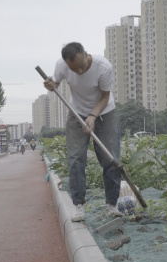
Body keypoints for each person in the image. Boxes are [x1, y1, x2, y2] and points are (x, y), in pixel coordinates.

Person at [44, 42, 122, 222]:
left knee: (110, 158)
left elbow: (104, 97)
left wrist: (93, 116)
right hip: (77, 113)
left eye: (81, 67)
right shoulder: (62, 65)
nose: (78, 72)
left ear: (86, 54)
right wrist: (51, 84)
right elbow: (54, 82)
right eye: (74, 69)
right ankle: (78, 206)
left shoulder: (103, 67)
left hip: (104, 112)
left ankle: (112, 205)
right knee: (76, 159)